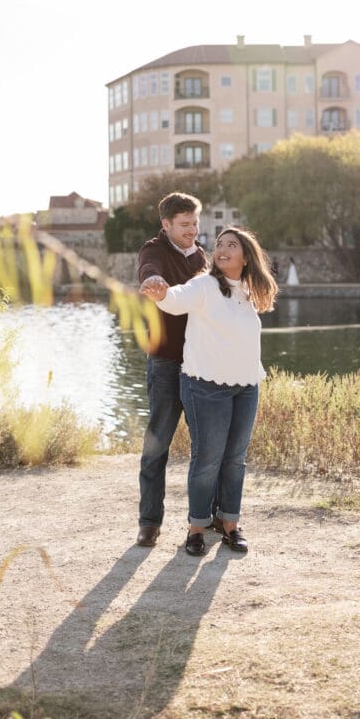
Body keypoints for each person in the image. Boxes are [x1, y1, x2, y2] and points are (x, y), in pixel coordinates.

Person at [140, 227, 277, 555]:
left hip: (246, 387)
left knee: (235, 460)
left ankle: (229, 523)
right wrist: (160, 291)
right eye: (219, 244)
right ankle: (196, 528)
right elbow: (175, 301)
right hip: (205, 386)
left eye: (232, 245)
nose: (222, 249)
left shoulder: (247, 290)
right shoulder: (203, 284)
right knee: (207, 460)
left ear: (246, 257)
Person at [135, 191, 208, 548]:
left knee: (205, 446)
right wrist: (154, 282)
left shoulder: (201, 257)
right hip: (165, 362)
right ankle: (149, 522)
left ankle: (202, 521)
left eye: (195, 222)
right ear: (166, 225)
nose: (192, 230)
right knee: (157, 444)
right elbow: (149, 270)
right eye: (185, 224)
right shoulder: (154, 251)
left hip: (198, 363)